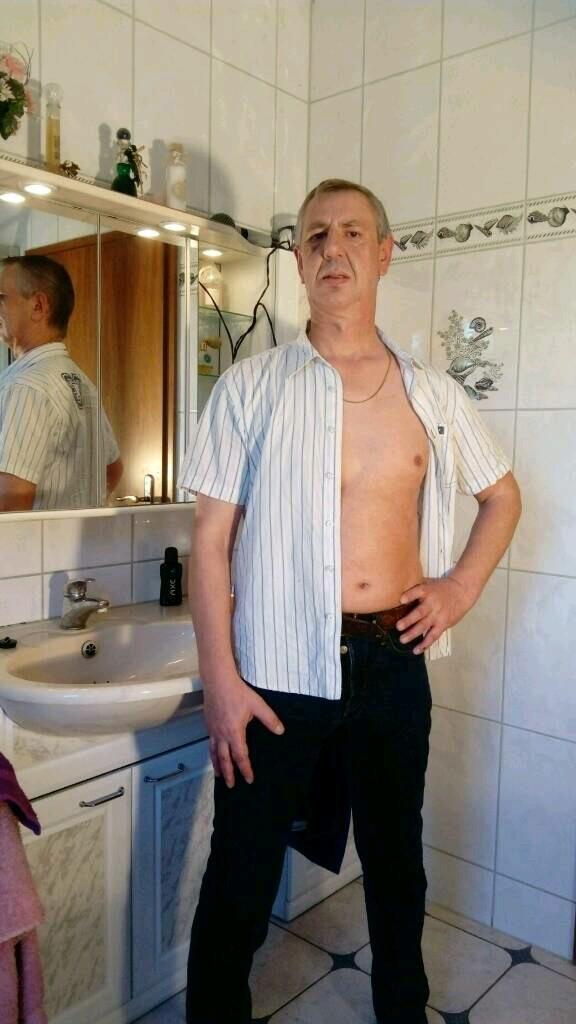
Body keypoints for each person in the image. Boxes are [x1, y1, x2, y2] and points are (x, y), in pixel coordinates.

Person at [178, 178, 522, 1024]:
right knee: (242, 869)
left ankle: (402, 1011)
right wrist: (220, 681)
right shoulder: (250, 387)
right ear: (299, 262)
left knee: (397, 862)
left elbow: (503, 497)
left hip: (393, 659)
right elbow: (210, 544)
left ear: (384, 253)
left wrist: (459, 586)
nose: (334, 248)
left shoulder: (432, 394)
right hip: (274, 668)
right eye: (316, 236)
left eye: (353, 233)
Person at [0, 255, 122, 511]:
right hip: (76, 538)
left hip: (31, 540)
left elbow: (11, 501)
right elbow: (112, 470)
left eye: (1, 298)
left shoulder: (25, 387)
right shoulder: (82, 382)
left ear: (38, 306)